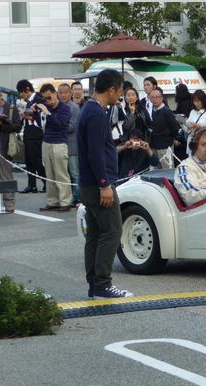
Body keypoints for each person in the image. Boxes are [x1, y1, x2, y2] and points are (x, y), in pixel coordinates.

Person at [77, 68, 132, 299]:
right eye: (119, 92)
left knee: (96, 233)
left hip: (88, 183)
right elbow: (96, 154)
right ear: (111, 89)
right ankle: (102, 284)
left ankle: (95, 284)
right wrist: (104, 185)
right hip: (98, 184)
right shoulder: (97, 114)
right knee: (112, 230)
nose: (119, 96)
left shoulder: (88, 109)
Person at [33, 84, 73, 212]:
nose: (47, 101)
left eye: (49, 97)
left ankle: (65, 202)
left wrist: (48, 113)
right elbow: (41, 124)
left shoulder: (65, 108)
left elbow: (60, 125)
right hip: (46, 142)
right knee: (49, 175)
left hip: (59, 143)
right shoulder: (47, 108)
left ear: (55, 94)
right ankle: (53, 201)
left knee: (61, 174)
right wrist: (36, 113)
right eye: (45, 99)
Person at [0, 85, 22, 213]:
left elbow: (18, 127)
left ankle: (9, 203)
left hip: (5, 149)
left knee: (6, 176)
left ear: (1, 97)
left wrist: (2, 125)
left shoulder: (11, 108)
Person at [16, 79, 46, 193]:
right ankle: (32, 184)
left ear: (27, 89)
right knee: (28, 160)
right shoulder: (29, 101)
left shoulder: (38, 99)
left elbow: (41, 117)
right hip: (28, 133)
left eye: (22, 92)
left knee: (35, 160)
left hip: (35, 133)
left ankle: (46, 182)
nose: (21, 94)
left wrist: (25, 116)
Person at [57, 83, 81, 207]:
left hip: (71, 145)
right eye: (61, 92)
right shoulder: (55, 107)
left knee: (74, 173)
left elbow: (73, 126)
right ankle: (64, 197)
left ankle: (77, 197)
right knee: (62, 173)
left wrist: (57, 125)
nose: (63, 95)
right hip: (57, 144)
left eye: (66, 92)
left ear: (70, 94)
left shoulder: (74, 107)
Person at [150, 88, 182, 169]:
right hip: (154, 145)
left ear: (161, 98)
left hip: (165, 146)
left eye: (157, 97)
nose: (155, 99)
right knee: (156, 170)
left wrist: (172, 139)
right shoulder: (153, 111)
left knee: (166, 169)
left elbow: (175, 128)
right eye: (153, 97)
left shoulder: (167, 111)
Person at [179, 89, 206, 157]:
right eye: (194, 101)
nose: (196, 104)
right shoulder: (192, 112)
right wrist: (182, 124)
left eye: (198, 101)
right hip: (192, 141)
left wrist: (196, 126)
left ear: (203, 101)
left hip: (203, 142)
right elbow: (188, 129)